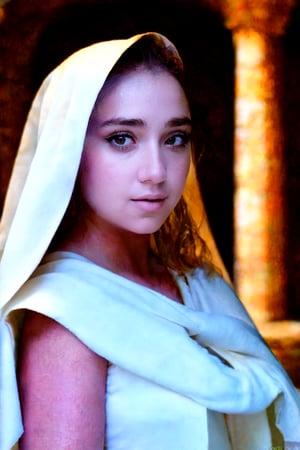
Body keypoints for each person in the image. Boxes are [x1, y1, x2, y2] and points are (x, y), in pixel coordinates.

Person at [0, 32, 299, 450]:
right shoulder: (66, 315)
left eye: (175, 138)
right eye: (122, 138)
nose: (156, 171)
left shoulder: (197, 282)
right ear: (68, 151)